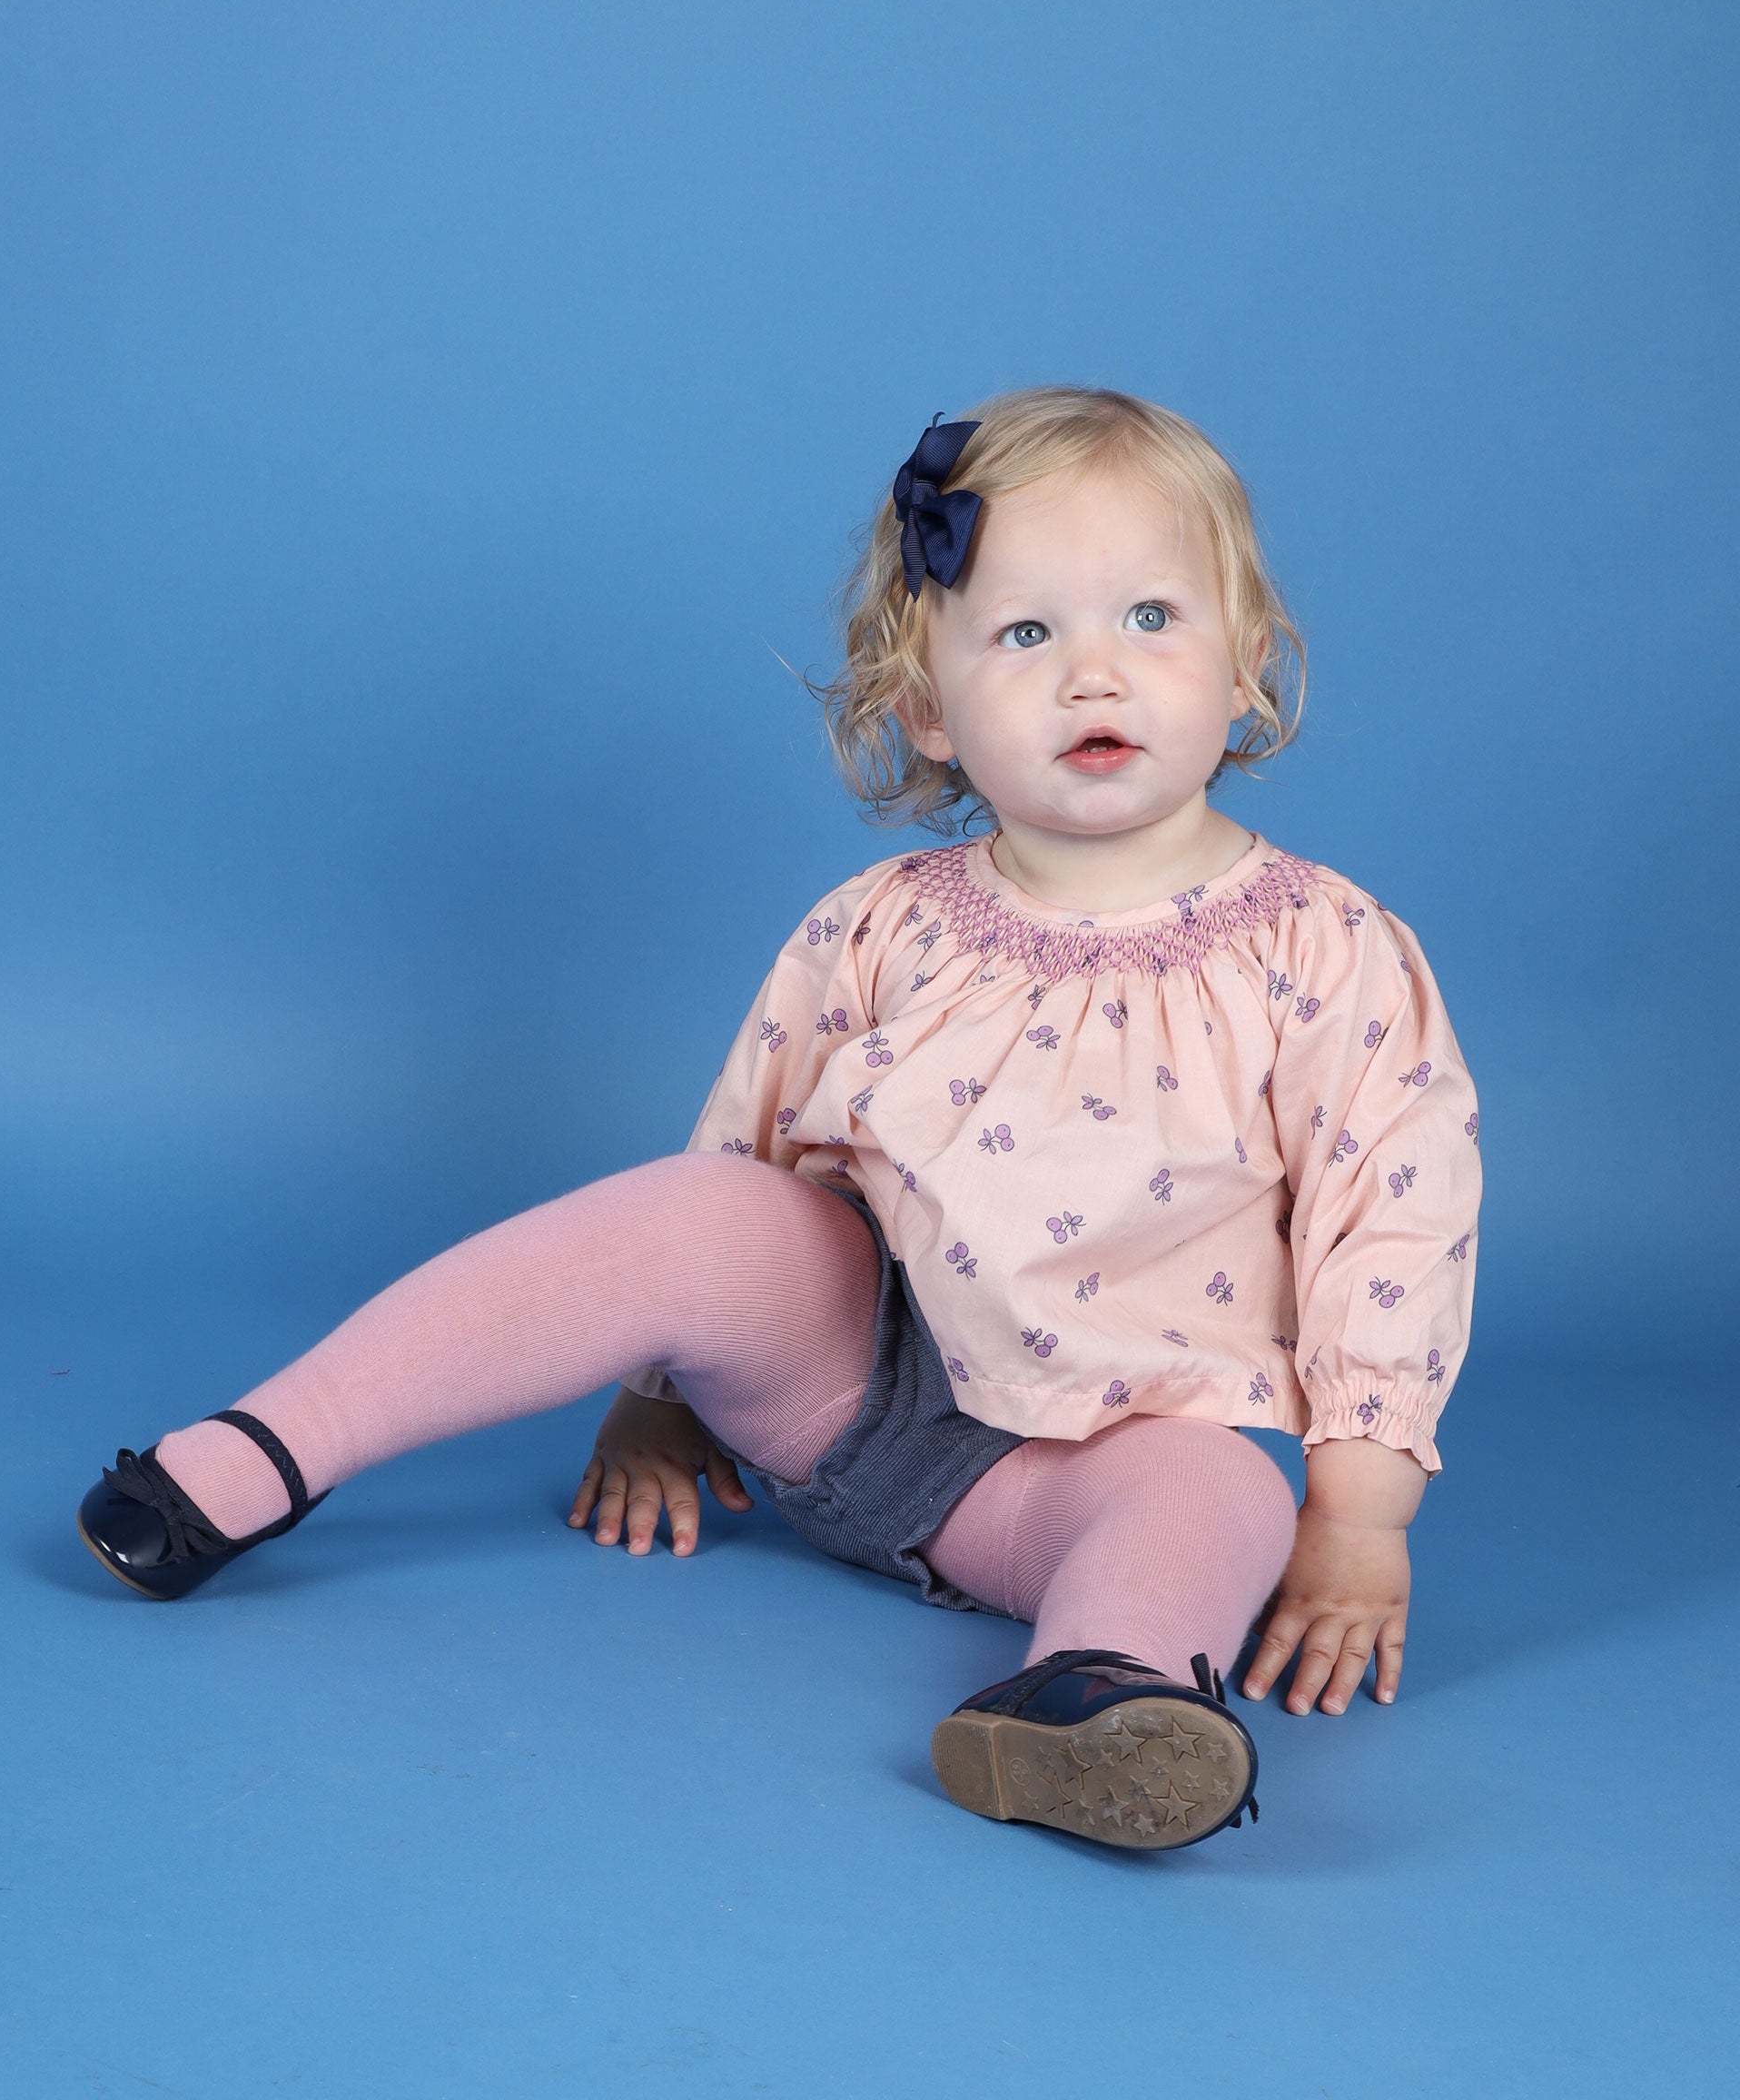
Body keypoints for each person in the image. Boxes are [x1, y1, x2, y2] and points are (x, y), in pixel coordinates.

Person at [75, 386, 1482, 1854]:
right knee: (712, 1209)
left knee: (1211, 1489)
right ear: (927, 709)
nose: (1093, 679)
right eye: (1025, 635)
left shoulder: (1323, 950)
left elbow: (1396, 1221)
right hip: (841, 1411)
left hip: (1075, 1480)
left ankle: (1097, 1688)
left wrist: (1360, 1517)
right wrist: (657, 1400)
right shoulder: (886, 925)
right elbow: (746, 1151)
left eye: (1150, 619)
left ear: (1248, 669)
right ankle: (262, 1452)